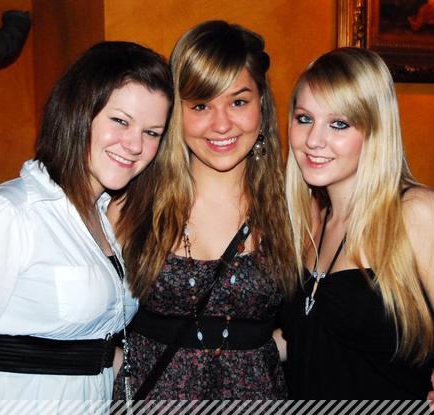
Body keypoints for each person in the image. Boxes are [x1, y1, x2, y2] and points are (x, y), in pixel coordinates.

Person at [0, 41, 173, 401]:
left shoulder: (100, 217)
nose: (135, 144)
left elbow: (87, 350)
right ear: (78, 113)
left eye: (151, 132)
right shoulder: (5, 214)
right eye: (120, 121)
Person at [280, 47, 434, 399]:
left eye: (339, 124)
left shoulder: (417, 214)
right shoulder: (305, 217)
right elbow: (306, 334)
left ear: (375, 130)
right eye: (305, 118)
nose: (313, 140)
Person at [111, 20, 298, 399]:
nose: (221, 124)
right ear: (176, 112)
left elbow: (327, 326)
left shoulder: (294, 208)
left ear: (261, 103)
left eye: (238, 102)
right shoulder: (132, 203)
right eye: (201, 105)